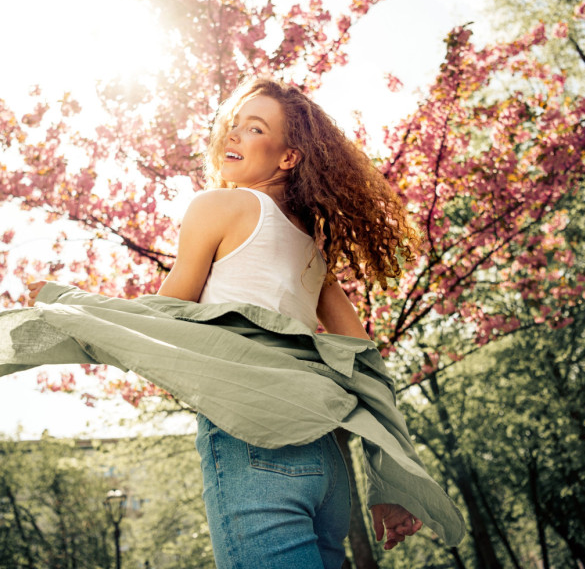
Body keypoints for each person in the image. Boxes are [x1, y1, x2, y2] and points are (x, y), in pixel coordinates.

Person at [24, 77, 426, 567]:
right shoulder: (314, 252)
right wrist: (392, 481)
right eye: (233, 126)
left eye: (254, 128)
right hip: (328, 463)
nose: (232, 136)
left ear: (288, 157)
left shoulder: (220, 205)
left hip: (252, 442)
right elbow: (368, 369)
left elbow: (164, 314)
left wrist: (66, 306)